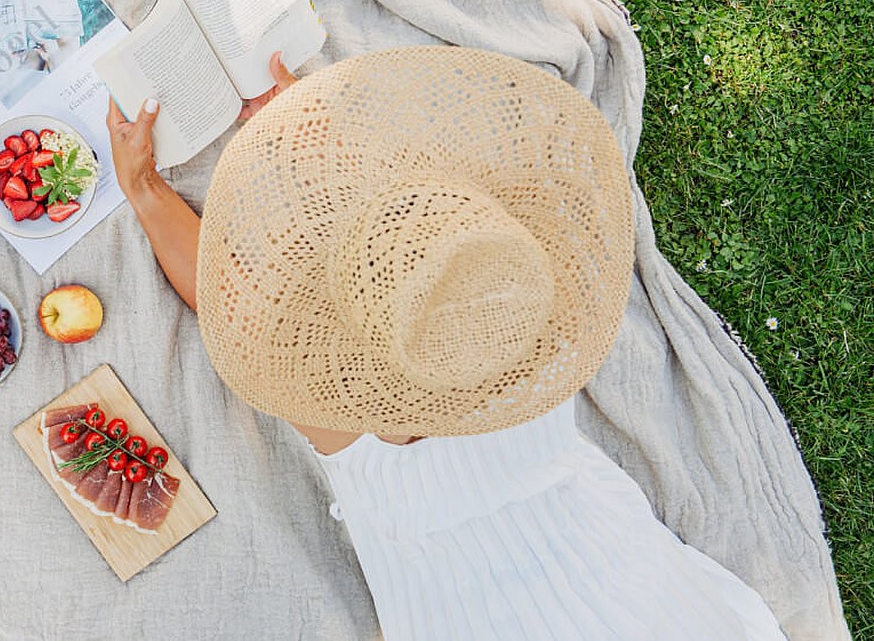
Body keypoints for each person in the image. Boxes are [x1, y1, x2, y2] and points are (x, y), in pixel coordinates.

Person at [105, 46, 784, 640]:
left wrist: (144, 185)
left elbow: (226, 299)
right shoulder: (528, 318)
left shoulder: (352, 425)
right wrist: (312, 136)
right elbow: (420, 242)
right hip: (622, 592)